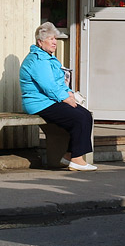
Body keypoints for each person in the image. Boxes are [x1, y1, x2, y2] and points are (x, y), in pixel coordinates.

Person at [19, 22, 96, 171]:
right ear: (40, 42)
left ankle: (69, 156)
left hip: (50, 100)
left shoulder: (48, 58)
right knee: (78, 117)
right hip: (39, 103)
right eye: (50, 39)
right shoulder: (37, 60)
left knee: (85, 115)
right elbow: (48, 85)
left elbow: (58, 82)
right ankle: (77, 159)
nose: (55, 42)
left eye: (55, 38)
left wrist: (69, 93)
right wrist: (65, 98)